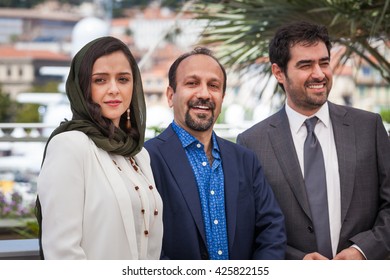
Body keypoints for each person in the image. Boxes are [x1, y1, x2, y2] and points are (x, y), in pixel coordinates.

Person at [237, 21, 390, 260]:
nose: (319, 74)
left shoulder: (369, 127)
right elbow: (250, 225)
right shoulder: (251, 143)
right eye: (306, 65)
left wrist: (362, 251)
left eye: (324, 63)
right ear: (279, 72)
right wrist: (297, 263)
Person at [144, 47, 286, 260]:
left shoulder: (245, 159)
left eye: (213, 86)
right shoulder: (147, 159)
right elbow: (147, 243)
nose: (204, 94)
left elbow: (271, 229)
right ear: (171, 95)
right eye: (192, 83)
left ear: (222, 97)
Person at [36, 36, 163, 259]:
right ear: (83, 87)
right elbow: (62, 252)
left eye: (123, 79)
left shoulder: (138, 155)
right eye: (100, 80)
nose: (114, 89)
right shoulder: (70, 146)